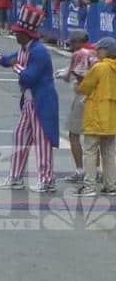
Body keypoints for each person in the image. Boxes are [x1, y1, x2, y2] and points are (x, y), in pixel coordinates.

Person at [0, 5, 59, 193]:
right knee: (20, 135)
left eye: (18, 33)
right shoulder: (24, 49)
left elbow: (28, 77)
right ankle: (15, 177)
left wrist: (17, 67)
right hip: (29, 102)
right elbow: (7, 60)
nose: (15, 35)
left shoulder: (38, 52)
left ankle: (47, 180)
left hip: (42, 102)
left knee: (42, 142)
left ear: (27, 34)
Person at [73, 37, 116, 197]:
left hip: (96, 115)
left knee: (90, 150)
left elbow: (84, 87)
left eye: (99, 49)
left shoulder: (100, 67)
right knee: (109, 151)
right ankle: (111, 185)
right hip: (112, 117)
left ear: (106, 51)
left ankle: (89, 186)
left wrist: (79, 79)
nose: (96, 52)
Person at [55, 29, 98, 183]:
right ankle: (95, 170)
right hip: (96, 96)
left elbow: (72, 76)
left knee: (74, 134)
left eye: (72, 42)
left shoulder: (79, 54)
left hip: (82, 95)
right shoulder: (95, 52)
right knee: (93, 136)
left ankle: (80, 170)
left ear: (79, 41)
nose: (71, 46)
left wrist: (62, 74)